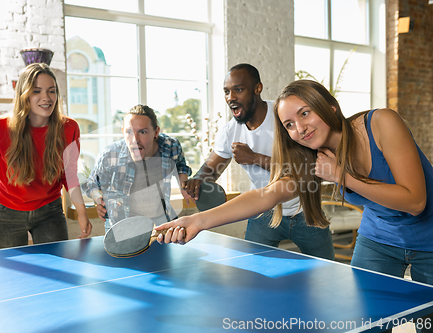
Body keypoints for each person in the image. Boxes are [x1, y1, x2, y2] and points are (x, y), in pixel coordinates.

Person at [158, 79, 433, 332]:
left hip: (430, 239)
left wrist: (341, 176)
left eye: (304, 113)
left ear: (331, 107)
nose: (300, 129)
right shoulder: (314, 159)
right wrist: (197, 221)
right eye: (289, 124)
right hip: (378, 240)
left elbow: (415, 201)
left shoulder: (380, 123)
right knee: (363, 324)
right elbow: (266, 195)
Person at [182, 63, 334, 260]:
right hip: (264, 213)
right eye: (226, 91)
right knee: (251, 272)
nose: (231, 97)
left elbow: (308, 169)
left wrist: (255, 158)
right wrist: (198, 179)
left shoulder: (284, 118)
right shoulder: (230, 131)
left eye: (238, 89)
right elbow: (210, 169)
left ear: (257, 88)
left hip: (306, 211)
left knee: (327, 273)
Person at [0, 63, 92, 249]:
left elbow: (69, 174)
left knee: (54, 271)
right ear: (24, 95)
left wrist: (82, 212)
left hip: (50, 210)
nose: (46, 98)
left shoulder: (69, 129)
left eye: (51, 91)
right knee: (12, 273)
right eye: (37, 91)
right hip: (7, 212)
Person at [82, 104, 192, 232]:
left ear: (156, 132)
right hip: (123, 228)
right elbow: (91, 184)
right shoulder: (110, 155)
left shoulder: (170, 146)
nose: (135, 139)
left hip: (161, 224)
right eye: (129, 132)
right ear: (123, 131)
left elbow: (180, 165)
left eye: (142, 132)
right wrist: (98, 200)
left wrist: (183, 183)